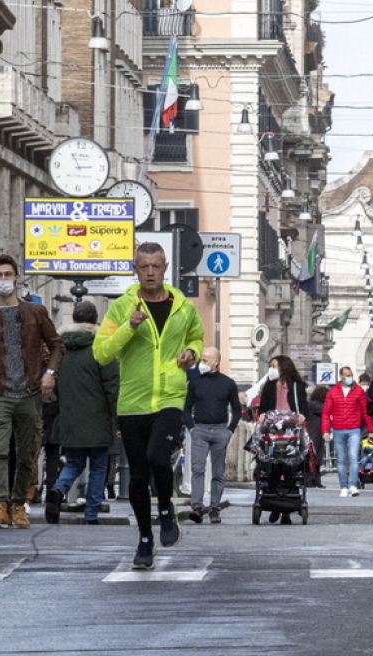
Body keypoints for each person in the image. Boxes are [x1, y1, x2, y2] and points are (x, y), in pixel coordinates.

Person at [94, 242, 204, 569]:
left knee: (158, 456)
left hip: (170, 396)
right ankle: (145, 539)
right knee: (138, 477)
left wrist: (192, 355)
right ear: (135, 269)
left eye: (156, 266)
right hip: (132, 402)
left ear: (165, 267)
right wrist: (129, 327)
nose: (151, 272)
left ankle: (167, 509)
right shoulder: (122, 307)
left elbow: (195, 339)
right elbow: (102, 353)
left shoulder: (183, 306)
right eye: (144, 267)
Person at [0, 254, 63, 529]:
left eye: (7, 275)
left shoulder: (35, 313)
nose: (3, 280)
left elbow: (57, 344)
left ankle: (18, 505)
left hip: (29, 392)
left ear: (16, 278)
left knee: (27, 454)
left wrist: (49, 374)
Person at [44, 301, 119, 526]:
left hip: (69, 418)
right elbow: (112, 385)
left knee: (74, 462)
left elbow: (54, 385)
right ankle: (91, 513)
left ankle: (58, 491)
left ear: (75, 319)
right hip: (98, 418)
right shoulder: (101, 347)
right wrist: (118, 417)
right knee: (98, 465)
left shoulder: (62, 350)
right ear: (95, 319)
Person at [183, 346, 240, 524]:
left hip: (220, 430)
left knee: (218, 472)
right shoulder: (195, 382)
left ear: (216, 362)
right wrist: (192, 428)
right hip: (200, 430)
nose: (202, 363)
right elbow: (186, 408)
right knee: (197, 469)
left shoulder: (228, 383)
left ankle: (214, 508)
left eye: (206, 360)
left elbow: (237, 409)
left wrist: (229, 430)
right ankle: (197, 507)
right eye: (201, 360)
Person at [258, 355, 309, 524]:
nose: (271, 369)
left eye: (274, 366)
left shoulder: (297, 386)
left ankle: (286, 509)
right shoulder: (269, 386)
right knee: (272, 465)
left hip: (291, 433)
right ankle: (274, 505)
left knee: (290, 467)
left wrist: (301, 415)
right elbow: (263, 408)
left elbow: (303, 408)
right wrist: (263, 415)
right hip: (273, 433)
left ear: (283, 368)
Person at [322, 366, 373, 497]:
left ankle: (353, 485)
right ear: (341, 377)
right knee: (341, 459)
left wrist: (371, 430)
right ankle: (343, 487)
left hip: (354, 429)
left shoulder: (358, 391)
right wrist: (325, 431)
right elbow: (326, 413)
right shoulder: (333, 392)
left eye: (351, 375)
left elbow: (366, 412)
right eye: (346, 375)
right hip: (338, 429)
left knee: (353, 457)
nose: (349, 377)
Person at [305, 386, 328, 488]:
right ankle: (312, 479)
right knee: (313, 456)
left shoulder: (313, 404)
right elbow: (326, 410)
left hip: (316, 432)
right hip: (314, 433)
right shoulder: (315, 405)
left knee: (316, 456)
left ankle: (315, 479)